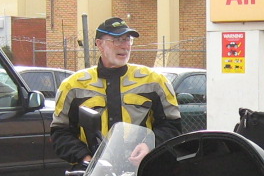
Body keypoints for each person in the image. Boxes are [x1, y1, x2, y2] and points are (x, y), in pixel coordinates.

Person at [51, 17, 181, 165]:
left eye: (128, 40)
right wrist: (86, 159)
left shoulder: (154, 81)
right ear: (99, 44)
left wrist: (150, 146)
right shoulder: (73, 86)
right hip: (93, 173)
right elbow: (60, 133)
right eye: (117, 40)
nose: (125, 46)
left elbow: (172, 126)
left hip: (142, 169)